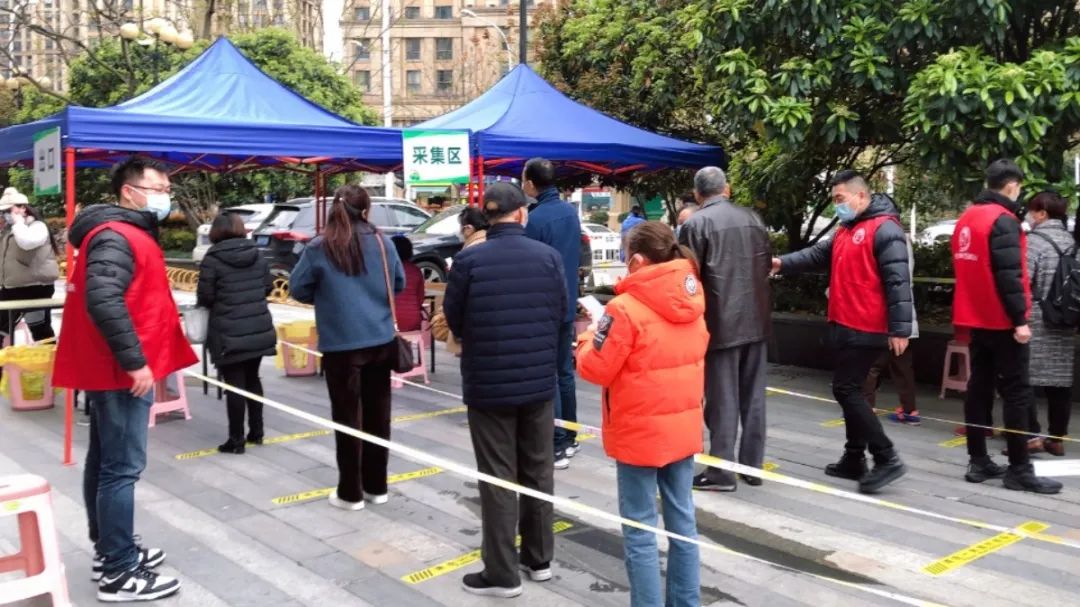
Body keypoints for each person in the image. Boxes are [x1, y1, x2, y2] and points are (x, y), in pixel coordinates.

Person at [53, 156, 197, 602]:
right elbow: (103, 298)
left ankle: (111, 549)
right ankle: (118, 571)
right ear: (130, 192)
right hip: (119, 371)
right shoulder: (115, 235)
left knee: (105, 461)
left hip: (114, 366)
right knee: (121, 469)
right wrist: (135, 362)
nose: (164, 197)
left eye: (167, 189)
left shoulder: (121, 232)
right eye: (157, 189)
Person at [444, 182, 565, 598]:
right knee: (538, 469)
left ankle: (501, 572)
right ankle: (539, 558)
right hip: (538, 381)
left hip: (488, 383)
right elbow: (561, 312)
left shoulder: (468, 261)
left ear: (487, 217)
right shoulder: (548, 257)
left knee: (497, 477)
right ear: (521, 214)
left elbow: (454, 318)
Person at [577, 222, 707, 607]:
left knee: (639, 530)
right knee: (683, 524)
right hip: (682, 427)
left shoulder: (624, 309)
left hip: (638, 432)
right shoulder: (694, 300)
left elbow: (595, 368)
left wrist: (587, 337)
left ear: (636, 260)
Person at [773, 170, 909, 494]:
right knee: (853, 390)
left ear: (861, 196)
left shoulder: (884, 228)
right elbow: (818, 254)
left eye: (840, 199)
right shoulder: (847, 229)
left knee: (845, 389)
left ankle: (886, 456)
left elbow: (898, 281)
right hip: (846, 321)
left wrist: (900, 328)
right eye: (834, 200)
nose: (838, 206)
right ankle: (853, 457)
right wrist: (781, 263)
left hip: (867, 324)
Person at [290, 185, 405, 510]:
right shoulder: (383, 242)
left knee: (347, 418)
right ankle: (377, 487)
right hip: (381, 339)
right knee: (378, 417)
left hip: (340, 344)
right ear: (366, 210)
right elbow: (398, 284)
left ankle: (350, 493)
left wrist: (330, 297)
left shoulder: (319, 246)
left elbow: (298, 288)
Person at [951, 160, 1062, 494]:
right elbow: (1010, 275)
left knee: (979, 388)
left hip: (975, 316)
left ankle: (978, 460)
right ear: (1012, 185)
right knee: (1017, 392)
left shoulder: (967, 218)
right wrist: (1019, 320)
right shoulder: (1003, 220)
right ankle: (1019, 468)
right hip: (1001, 319)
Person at [679, 167, 772, 491]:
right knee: (754, 397)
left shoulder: (695, 224)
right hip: (756, 319)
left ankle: (721, 471)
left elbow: (687, 277)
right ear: (727, 189)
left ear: (697, 194)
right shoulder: (754, 219)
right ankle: (752, 466)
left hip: (718, 323)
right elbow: (765, 265)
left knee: (722, 399)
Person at [196, 212, 276, 454]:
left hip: (227, 331)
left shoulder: (212, 258)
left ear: (216, 232)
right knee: (253, 378)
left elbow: (205, 296)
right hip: (258, 326)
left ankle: (236, 439)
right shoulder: (257, 254)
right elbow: (268, 286)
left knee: (234, 384)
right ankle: (257, 432)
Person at [522, 157, 582, 470]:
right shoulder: (570, 213)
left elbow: (529, 267)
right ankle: (570, 436)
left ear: (531, 183)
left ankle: (557, 443)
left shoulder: (536, 220)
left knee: (550, 375)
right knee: (565, 372)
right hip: (568, 301)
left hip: (544, 306)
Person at [1020, 191, 1075, 457]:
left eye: (1032, 211)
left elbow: (1023, 281)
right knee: (1060, 382)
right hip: (1065, 318)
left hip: (1037, 318)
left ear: (1042, 213)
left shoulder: (1034, 242)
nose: (1029, 216)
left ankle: (1031, 435)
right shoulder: (1072, 242)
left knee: (1025, 379)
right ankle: (1056, 438)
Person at [864, 207, 921, 426]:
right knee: (902, 366)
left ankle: (865, 409)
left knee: (871, 365)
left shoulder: (882, 237)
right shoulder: (902, 239)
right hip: (904, 316)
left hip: (886, 316)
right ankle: (909, 411)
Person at [0, 187, 60, 343]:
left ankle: (49, 357)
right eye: (3, 211)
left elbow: (27, 242)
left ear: (23, 208)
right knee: (2, 326)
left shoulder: (37, 227)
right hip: (12, 287)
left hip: (35, 287)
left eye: (9, 210)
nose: (6, 214)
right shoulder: (9, 230)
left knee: (40, 328)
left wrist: (19, 222)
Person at [431, 207, 488, 355]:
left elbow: (454, 297)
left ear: (468, 228)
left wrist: (454, 330)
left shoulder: (467, 254)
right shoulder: (495, 245)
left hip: (470, 328)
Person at [392, 234, 425, 332]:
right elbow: (420, 299)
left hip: (390, 320)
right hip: (413, 320)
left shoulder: (386, 270)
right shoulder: (416, 271)